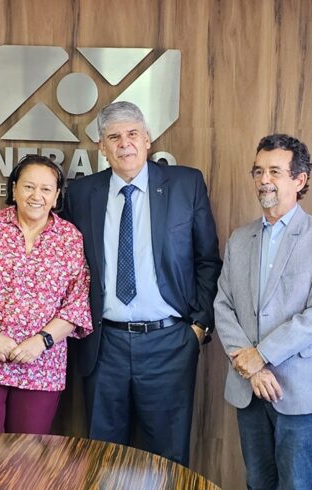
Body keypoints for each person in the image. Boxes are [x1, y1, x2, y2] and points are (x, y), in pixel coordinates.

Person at [64, 102, 222, 465]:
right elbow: (55, 248)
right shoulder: (82, 193)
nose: (125, 144)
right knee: (103, 457)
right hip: (104, 345)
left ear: (148, 139)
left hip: (169, 342)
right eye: (114, 137)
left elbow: (207, 260)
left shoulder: (185, 184)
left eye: (133, 133)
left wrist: (198, 327)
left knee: (168, 459)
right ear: (101, 146)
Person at [214, 134, 312, 490]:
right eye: (258, 171)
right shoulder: (240, 238)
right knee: (258, 489)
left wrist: (262, 355)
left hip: (300, 386)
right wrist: (251, 367)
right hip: (248, 385)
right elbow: (223, 305)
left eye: (275, 171)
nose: (264, 180)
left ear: (299, 180)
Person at [0, 154, 92, 434]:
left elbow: (76, 305)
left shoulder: (70, 237)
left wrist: (41, 342)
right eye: (28, 186)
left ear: (56, 196)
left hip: (42, 366)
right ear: (14, 189)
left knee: (27, 455)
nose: (36, 196)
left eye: (46, 189)